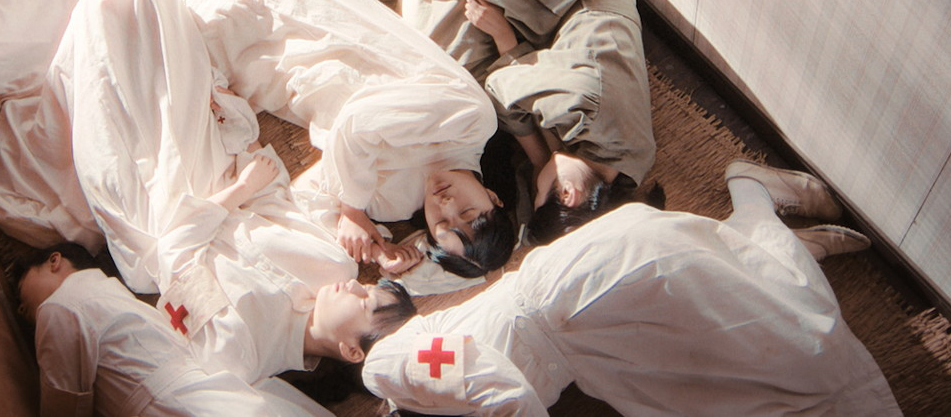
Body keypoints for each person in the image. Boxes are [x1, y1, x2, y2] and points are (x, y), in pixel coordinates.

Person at [55, 0, 416, 383]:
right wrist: (233, 122)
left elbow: (174, 254)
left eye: (365, 301)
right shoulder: (335, 268)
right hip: (216, 172)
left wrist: (240, 190)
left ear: (351, 350)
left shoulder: (240, 354)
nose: (357, 287)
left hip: (158, 221)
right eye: (368, 288)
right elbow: (274, 196)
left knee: (109, 79)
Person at [362, 161, 897, 416]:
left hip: (571, 295)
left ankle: (754, 202)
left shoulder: (384, 370)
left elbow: (479, 373)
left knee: (799, 357)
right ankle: (762, 246)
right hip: (593, 353)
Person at [185, 0, 511, 273]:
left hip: (273, 76)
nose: (446, 204)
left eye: (441, 223)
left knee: (181, 77)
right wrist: (352, 210)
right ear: (493, 197)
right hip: (307, 17)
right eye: (467, 212)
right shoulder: (472, 122)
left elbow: (307, 195)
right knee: (180, 33)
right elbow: (359, 122)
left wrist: (375, 248)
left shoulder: (394, 204)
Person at [393, 0, 656, 218]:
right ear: (569, 193)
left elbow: (525, 98)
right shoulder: (585, 111)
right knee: (448, 56)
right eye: (537, 191)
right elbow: (501, 87)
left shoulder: (628, 164)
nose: (536, 182)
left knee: (453, 66)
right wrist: (538, 158)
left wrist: (548, 156)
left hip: (563, 9)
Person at [14, 243, 337, 417]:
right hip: (209, 392)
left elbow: (64, 405)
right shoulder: (114, 297)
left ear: (55, 261)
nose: (21, 310)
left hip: (171, 404)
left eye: (20, 294)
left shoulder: (62, 304)